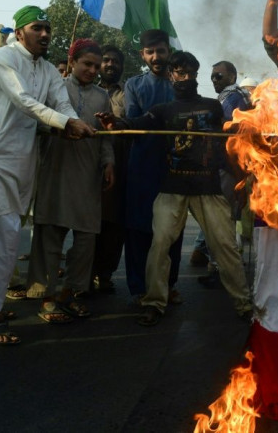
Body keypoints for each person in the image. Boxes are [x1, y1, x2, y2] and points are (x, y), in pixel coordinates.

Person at [0, 5, 95, 345]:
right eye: (38, 28)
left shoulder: (48, 69)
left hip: (22, 159)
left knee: (5, 237)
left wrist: (72, 122)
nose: (45, 34)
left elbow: (61, 104)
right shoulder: (2, 58)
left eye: (48, 29)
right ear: (19, 33)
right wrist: (65, 123)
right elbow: (23, 101)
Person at [97, 51, 253, 326]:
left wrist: (240, 174)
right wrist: (117, 123)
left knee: (226, 247)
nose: (185, 77)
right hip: (172, 188)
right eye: (180, 72)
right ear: (171, 75)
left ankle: (243, 304)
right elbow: (136, 124)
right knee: (159, 246)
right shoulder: (163, 111)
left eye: (190, 72)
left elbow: (221, 149)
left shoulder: (212, 107)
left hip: (207, 188)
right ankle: (155, 302)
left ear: (196, 74)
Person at [26, 39, 114, 323]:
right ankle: (46, 297)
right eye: (86, 64)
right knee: (49, 234)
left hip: (88, 174)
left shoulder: (102, 96)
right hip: (55, 170)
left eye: (96, 66)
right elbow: (35, 123)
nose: (92, 70)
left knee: (86, 238)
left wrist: (109, 162)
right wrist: (59, 129)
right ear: (72, 61)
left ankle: (71, 294)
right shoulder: (55, 89)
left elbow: (104, 136)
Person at [122, 29, 183, 305]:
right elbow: (133, 123)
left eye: (160, 50)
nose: (156, 56)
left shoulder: (181, 84)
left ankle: (168, 286)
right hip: (141, 166)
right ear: (142, 55)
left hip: (174, 167)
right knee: (138, 228)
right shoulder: (134, 85)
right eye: (150, 52)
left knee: (172, 229)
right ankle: (138, 288)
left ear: (168, 51)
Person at [193, 60, 253, 282]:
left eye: (219, 76)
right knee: (225, 220)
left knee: (221, 221)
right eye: (212, 77)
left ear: (232, 76)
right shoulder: (234, 97)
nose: (214, 80)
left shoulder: (232, 98)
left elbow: (223, 129)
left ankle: (221, 269)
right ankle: (221, 266)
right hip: (232, 166)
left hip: (228, 166)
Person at [91, 44, 127, 293]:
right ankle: (84, 272)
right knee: (87, 224)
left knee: (113, 225)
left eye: (115, 61)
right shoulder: (87, 90)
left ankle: (104, 273)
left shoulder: (127, 94)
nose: (110, 64)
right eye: (106, 60)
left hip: (119, 165)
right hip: (86, 165)